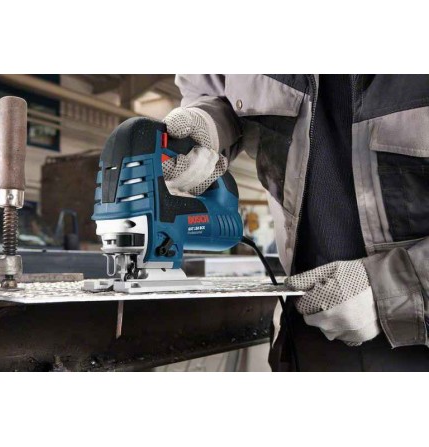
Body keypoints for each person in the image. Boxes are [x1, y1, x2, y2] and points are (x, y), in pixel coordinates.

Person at [162, 75, 429, 371]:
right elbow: (215, 91)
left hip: (416, 339)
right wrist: (209, 123)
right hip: (306, 332)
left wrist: (397, 287)